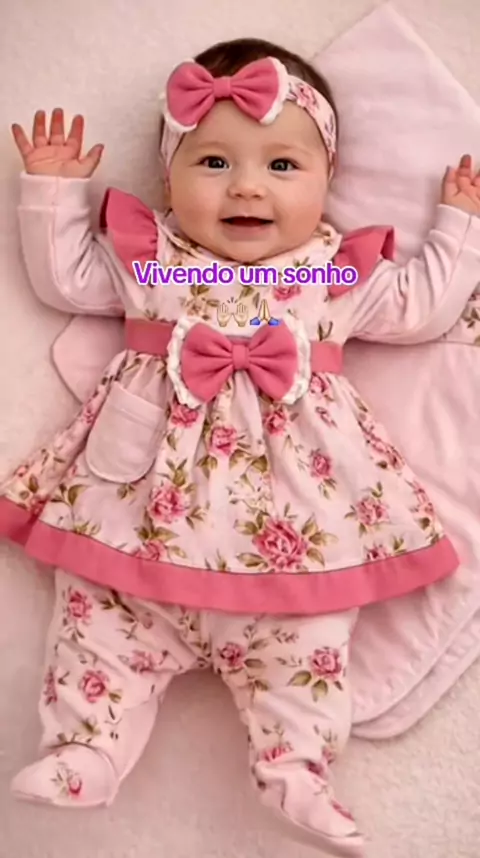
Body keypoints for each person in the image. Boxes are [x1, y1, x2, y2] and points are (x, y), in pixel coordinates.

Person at [3, 36, 480, 858]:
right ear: (168, 178)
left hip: (294, 530)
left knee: (310, 642)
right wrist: (50, 192)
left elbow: (422, 309)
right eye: (214, 163)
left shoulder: (332, 273)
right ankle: (87, 746)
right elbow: (66, 279)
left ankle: (297, 767)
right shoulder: (157, 261)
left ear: (328, 179)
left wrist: (460, 227)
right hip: (141, 512)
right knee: (96, 617)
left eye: (282, 166)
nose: (247, 186)